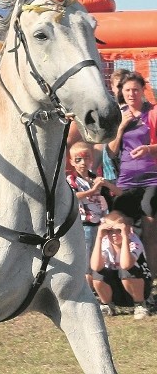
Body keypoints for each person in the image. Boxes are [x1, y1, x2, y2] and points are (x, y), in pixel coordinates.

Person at [108, 71, 157, 277]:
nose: (131, 94)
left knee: (149, 231)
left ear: (143, 91)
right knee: (119, 227)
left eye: (135, 90)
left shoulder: (152, 112)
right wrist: (120, 128)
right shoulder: (118, 114)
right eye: (127, 90)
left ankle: (152, 278)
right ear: (122, 92)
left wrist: (148, 149)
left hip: (152, 177)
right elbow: (110, 151)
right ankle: (123, 278)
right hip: (126, 179)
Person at [66, 141, 121, 290]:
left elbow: (119, 194)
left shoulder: (96, 178)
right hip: (84, 225)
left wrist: (106, 185)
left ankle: (107, 290)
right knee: (87, 261)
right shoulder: (71, 180)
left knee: (103, 258)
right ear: (71, 162)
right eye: (78, 160)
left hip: (102, 224)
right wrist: (92, 190)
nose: (83, 163)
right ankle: (89, 292)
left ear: (91, 160)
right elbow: (74, 196)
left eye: (86, 158)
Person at [90, 211, 151, 319]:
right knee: (98, 272)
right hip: (117, 290)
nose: (114, 234)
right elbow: (95, 267)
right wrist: (99, 238)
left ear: (128, 229)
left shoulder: (134, 241)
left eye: (118, 230)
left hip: (139, 289)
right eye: (109, 231)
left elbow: (126, 265)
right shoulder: (104, 241)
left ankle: (140, 305)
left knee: (126, 270)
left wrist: (125, 235)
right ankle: (107, 305)